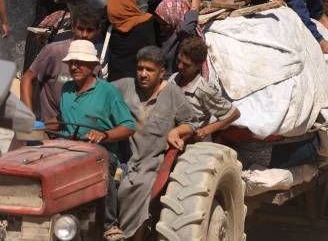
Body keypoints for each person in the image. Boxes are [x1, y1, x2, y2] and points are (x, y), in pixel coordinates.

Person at [55, 40, 136, 241]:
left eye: (80, 62)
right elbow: (64, 120)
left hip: (100, 152)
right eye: (71, 62)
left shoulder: (108, 92)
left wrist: (105, 135)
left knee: (101, 162)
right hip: (69, 150)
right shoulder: (66, 89)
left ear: (93, 66)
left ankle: (110, 224)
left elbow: (129, 126)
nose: (74, 66)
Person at [113, 46, 196, 241]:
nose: (143, 74)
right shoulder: (125, 85)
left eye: (149, 70)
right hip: (125, 157)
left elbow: (191, 123)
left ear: (161, 72)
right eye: (140, 69)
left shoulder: (172, 92)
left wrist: (176, 131)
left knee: (140, 186)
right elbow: (100, 91)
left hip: (153, 161)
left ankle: (134, 237)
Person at [21, 13, 101, 121]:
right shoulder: (54, 51)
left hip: (76, 127)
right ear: (72, 27)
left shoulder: (95, 60)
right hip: (47, 127)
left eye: (90, 30)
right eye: (80, 29)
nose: (84, 35)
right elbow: (27, 79)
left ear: (97, 31)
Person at [171, 37, 240, 140]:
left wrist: (205, 131)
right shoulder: (173, 79)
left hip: (193, 146)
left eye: (186, 65)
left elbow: (234, 114)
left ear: (198, 66)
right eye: (178, 61)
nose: (180, 66)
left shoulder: (203, 90)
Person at [106, 0, 161, 82]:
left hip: (117, 85)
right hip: (145, 83)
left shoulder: (111, 31)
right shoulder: (148, 23)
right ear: (131, 2)